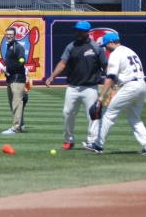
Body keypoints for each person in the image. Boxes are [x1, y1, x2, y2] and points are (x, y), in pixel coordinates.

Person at [83, 33, 146, 154]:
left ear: (111, 43)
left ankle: (98, 145)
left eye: (106, 45)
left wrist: (101, 97)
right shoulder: (130, 51)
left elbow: (110, 76)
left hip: (130, 86)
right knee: (134, 118)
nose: (106, 48)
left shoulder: (115, 54)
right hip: (141, 84)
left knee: (108, 114)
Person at [45, 21, 107, 150]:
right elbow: (63, 63)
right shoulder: (71, 46)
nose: (77, 32)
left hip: (90, 87)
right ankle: (69, 140)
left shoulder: (96, 47)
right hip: (73, 87)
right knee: (67, 113)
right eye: (77, 30)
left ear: (87, 32)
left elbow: (105, 66)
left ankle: (92, 141)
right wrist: (52, 76)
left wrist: (112, 82)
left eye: (80, 30)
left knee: (93, 115)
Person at [0, 27, 27, 135]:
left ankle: (15, 128)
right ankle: (17, 126)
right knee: (13, 104)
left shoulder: (18, 47)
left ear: (15, 35)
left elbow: (21, 62)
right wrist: (5, 69)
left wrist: (8, 68)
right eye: (7, 34)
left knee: (17, 104)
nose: (9, 36)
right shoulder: (9, 46)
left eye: (11, 34)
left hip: (18, 79)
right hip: (11, 78)